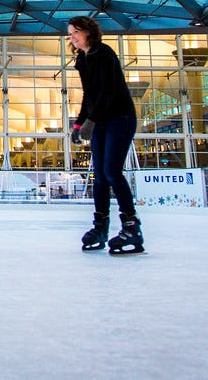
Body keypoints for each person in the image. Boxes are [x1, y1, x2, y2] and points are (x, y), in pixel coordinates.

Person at [68, 16, 143, 254]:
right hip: (100, 120)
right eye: (70, 34)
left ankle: (132, 227)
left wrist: (91, 120)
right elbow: (89, 95)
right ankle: (100, 226)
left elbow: (107, 92)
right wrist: (79, 124)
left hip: (120, 117)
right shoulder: (83, 58)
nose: (72, 37)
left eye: (75, 32)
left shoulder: (104, 53)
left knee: (111, 171)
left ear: (88, 31)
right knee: (99, 175)